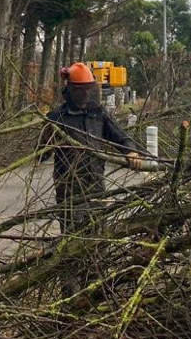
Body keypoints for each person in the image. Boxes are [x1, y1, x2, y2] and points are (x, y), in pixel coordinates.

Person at [44, 62, 143, 234]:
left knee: (97, 232)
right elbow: (41, 154)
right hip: (69, 189)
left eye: (88, 90)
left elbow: (119, 135)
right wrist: (46, 137)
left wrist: (130, 150)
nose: (85, 95)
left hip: (96, 184)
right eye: (80, 91)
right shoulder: (57, 118)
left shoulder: (98, 114)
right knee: (72, 235)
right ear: (71, 90)